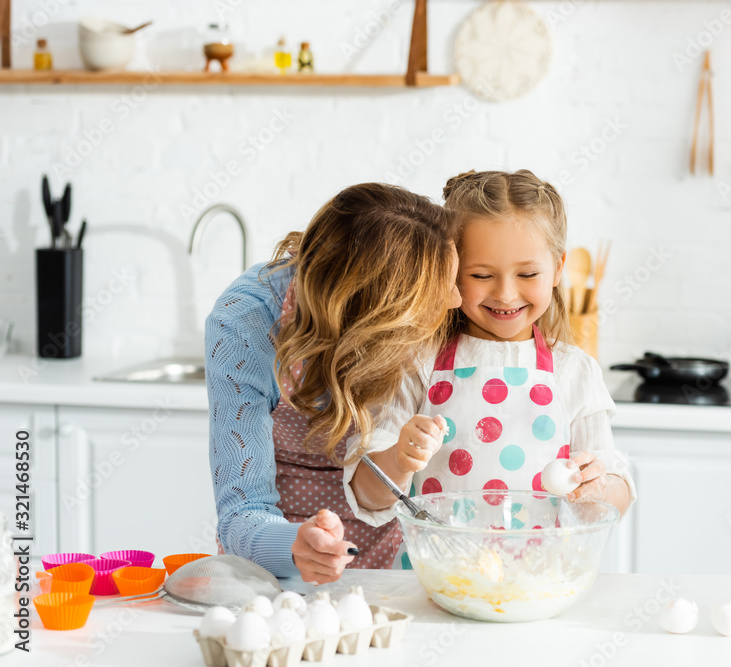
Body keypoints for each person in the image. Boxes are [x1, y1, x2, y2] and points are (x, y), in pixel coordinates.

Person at [346, 169, 635, 537]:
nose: (505, 294)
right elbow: (367, 495)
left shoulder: (574, 372)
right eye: (481, 276)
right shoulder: (417, 362)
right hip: (438, 580)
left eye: (528, 275)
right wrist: (400, 460)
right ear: (450, 270)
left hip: (540, 581)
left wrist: (599, 486)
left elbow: (616, 496)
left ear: (559, 268)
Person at [205, 183, 460, 583]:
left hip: (390, 563)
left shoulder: (428, 311)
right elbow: (240, 511)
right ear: (377, 314)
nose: (456, 300)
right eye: (441, 292)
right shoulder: (245, 325)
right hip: (275, 570)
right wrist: (296, 545)